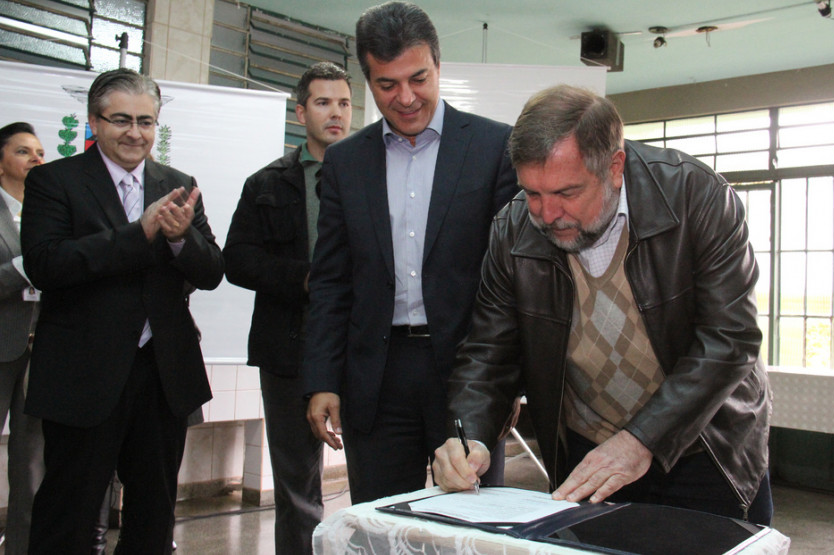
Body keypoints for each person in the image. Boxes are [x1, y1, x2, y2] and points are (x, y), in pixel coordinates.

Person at [433, 84, 773, 526]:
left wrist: (641, 440)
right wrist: (470, 437)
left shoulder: (695, 197)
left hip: (704, 446)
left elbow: (730, 338)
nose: (546, 214)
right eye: (532, 193)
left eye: (566, 193)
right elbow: (489, 353)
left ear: (615, 166)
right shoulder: (513, 228)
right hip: (587, 449)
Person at [304, 1, 518, 504]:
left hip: (468, 374)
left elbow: (511, 280)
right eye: (387, 84)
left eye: (418, 78)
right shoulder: (345, 163)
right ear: (367, 81)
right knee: (382, 524)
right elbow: (331, 280)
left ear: (439, 65)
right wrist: (322, 379)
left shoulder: (493, 148)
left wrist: (511, 380)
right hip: (374, 378)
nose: (405, 98)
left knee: (474, 521)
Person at [20, 68, 224, 553]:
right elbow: (46, 264)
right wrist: (140, 233)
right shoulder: (55, 180)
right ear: (93, 121)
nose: (136, 132)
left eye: (147, 121)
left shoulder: (178, 184)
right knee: (68, 512)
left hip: (163, 375)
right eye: (121, 120)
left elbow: (213, 269)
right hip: (83, 374)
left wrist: (179, 239)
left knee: (154, 513)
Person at [223, 61, 352, 554]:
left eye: (343, 103)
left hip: (361, 347)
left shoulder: (373, 175)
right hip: (287, 350)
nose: (335, 113)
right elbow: (236, 260)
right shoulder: (267, 183)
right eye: (323, 103)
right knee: (297, 488)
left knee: (377, 477)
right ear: (301, 112)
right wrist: (303, 277)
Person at [0, 122, 45, 554]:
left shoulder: (48, 211)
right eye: (23, 152)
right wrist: (22, 269)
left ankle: (21, 546)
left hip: (42, 349)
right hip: (0, 346)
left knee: (31, 464)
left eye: (39, 152)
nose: (36, 159)